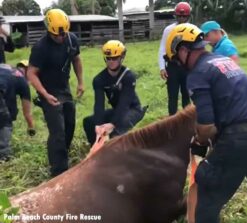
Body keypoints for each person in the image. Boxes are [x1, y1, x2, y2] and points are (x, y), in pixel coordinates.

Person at [165, 23, 247, 223]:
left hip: (240, 139)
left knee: (207, 194)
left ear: (183, 50)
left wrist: (200, 142)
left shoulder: (198, 73)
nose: (179, 64)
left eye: (176, 59)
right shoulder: (222, 60)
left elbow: (205, 125)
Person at [27, 9, 84, 177]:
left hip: (64, 89)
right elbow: (31, 73)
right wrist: (44, 94)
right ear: (48, 30)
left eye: (63, 34)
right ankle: (59, 172)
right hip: (48, 91)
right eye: (56, 35)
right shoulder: (40, 48)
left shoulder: (71, 39)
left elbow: (76, 59)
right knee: (57, 132)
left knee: (70, 125)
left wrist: (80, 81)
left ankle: (61, 155)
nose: (61, 38)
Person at [83, 40, 146, 145]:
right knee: (89, 122)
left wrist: (112, 124)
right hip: (117, 110)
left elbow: (124, 104)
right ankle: (96, 149)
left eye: (115, 58)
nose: (111, 61)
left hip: (132, 109)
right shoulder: (99, 79)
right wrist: (98, 125)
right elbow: (99, 104)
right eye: (108, 58)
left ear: (121, 58)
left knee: (116, 129)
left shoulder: (129, 76)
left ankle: (119, 156)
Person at [158, 2, 191, 115]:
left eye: (184, 16)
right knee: (172, 96)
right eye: (179, 16)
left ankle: (187, 124)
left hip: (187, 67)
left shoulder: (193, 29)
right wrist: (162, 67)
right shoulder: (169, 30)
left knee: (187, 96)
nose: (182, 18)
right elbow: (163, 48)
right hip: (172, 66)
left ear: (188, 16)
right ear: (175, 16)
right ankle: (172, 124)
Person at [0, 63, 34, 161]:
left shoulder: (6, 69)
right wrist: (31, 127)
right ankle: (4, 158)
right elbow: (27, 112)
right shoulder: (21, 80)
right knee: (4, 123)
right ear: (27, 71)